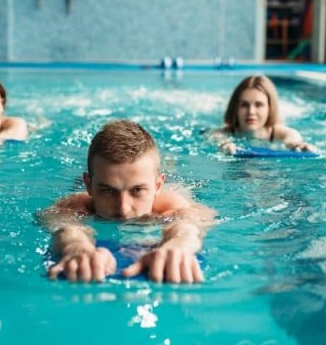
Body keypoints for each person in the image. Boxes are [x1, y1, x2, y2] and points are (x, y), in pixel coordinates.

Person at [43, 119, 214, 284]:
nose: (123, 209)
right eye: (108, 190)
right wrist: (76, 245)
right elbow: (63, 227)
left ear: (158, 186)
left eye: (137, 190)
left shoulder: (172, 205)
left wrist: (179, 243)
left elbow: (190, 224)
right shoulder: (76, 205)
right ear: (89, 186)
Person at [211, 75, 315, 154]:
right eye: (244, 105)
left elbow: (292, 138)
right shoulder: (224, 133)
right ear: (235, 108)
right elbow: (216, 137)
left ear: (270, 108)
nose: (251, 112)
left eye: (259, 105)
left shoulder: (281, 133)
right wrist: (224, 144)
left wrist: (296, 145)